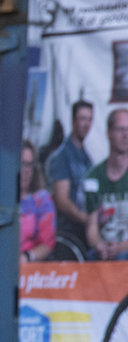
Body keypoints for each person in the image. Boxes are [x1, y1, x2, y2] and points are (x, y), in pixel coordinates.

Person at [47, 99, 94, 260]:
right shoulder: (63, 156)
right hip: (68, 231)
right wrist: (88, 220)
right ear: (73, 121)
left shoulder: (86, 157)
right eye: (82, 118)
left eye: (89, 119)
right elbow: (61, 200)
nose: (86, 124)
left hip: (84, 229)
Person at [86, 109, 128, 262]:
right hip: (103, 254)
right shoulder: (93, 177)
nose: (125, 135)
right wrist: (98, 245)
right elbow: (91, 227)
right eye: (120, 129)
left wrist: (120, 247)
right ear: (108, 133)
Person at [20, 140, 56, 263]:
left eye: (29, 165)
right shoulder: (0, 197)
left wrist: (26, 257)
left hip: (31, 265)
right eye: (22, 164)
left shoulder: (42, 200)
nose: (26, 170)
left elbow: (47, 244)